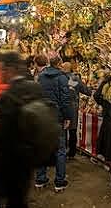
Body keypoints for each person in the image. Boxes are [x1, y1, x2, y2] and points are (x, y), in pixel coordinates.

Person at [0, 52, 46, 208]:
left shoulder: (8, 96)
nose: (0, 73)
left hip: (8, 160)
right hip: (28, 158)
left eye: (2, 70)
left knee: (3, 198)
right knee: (20, 198)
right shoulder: (36, 88)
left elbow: (0, 134)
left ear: (10, 70)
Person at [35, 56, 72, 192]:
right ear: (60, 64)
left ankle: (40, 179)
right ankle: (59, 181)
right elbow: (65, 99)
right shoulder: (62, 78)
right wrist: (68, 117)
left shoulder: (41, 77)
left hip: (42, 115)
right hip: (57, 117)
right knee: (60, 150)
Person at [62, 61, 91, 158]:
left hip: (62, 106)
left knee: (63, 130)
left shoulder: (59, 78)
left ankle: (63, 150)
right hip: (73, 106)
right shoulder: (75, 79)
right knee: (72, 130)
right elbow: (86, 90)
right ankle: (72, 152)